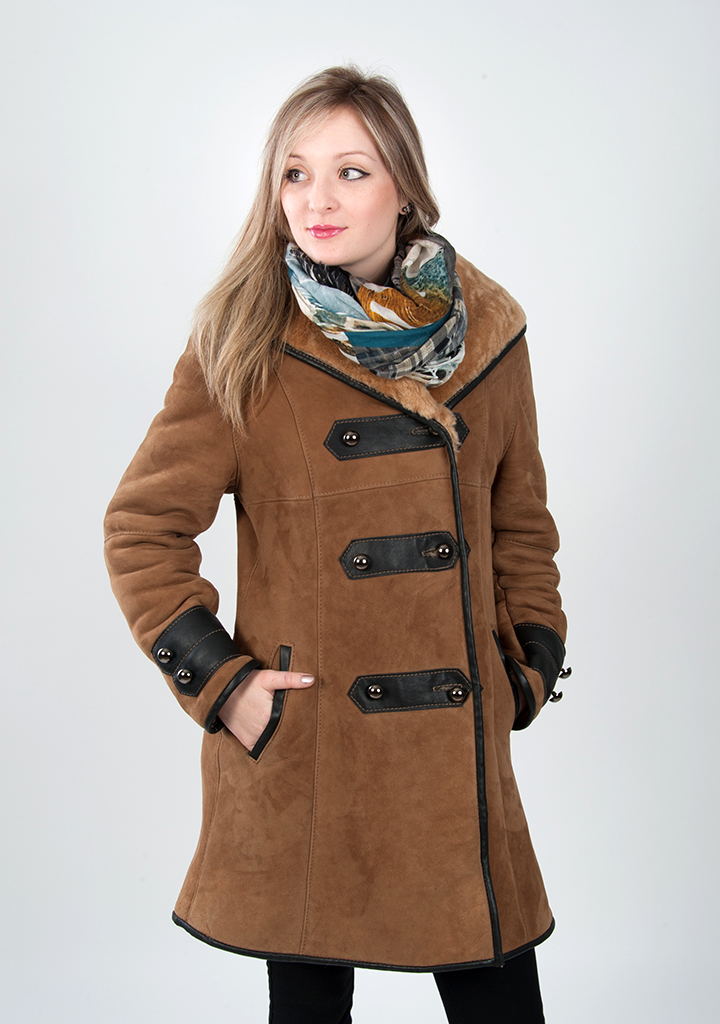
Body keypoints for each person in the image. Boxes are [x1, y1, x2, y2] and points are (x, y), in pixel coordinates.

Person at [104, 65, 568, 1024]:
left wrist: (529, 664)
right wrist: (223, 684)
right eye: (295, 172)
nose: (317, 199)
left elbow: (520, 521)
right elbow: (142, 528)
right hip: (311, 750)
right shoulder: (242, 341)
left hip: (454, 756)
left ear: (405, 187)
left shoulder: (491, 335)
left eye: (351, 171)